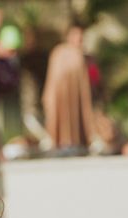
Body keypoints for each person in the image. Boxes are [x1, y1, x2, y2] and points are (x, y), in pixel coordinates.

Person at [42, 23, 95, 154]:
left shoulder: (85, 56)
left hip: (78, 98)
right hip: (60, 95)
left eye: (81, 36)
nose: (79, 39)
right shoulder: (59, 52)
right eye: (76, 35)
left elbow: (92, 79)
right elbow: (53, 77)